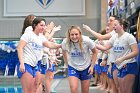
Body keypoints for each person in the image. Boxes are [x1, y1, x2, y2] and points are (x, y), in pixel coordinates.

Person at [16, 17, 61, 93]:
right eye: (41, 25)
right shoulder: (28, 34)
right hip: (26, 64)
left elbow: (50, 44)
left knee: (35, 87)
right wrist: (22, 63)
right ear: (35, 25)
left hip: (36, 65)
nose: (44, 27)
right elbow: (19, 48)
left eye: (44, 25)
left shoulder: (41, 37)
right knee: (28, 90)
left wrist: (61, 45)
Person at [96, 18, 138, 93]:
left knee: (127, 90)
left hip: (129, 65)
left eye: (115, 25)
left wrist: (123, 58)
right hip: (118, 66)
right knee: (120, 89)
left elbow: (135, 52)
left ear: (121, 26)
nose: (113, 27)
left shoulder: (129, 37)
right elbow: (105, 47)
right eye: (113, 25)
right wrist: (94, 45)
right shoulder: (114, 37)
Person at [61, 25, 98, 93]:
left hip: (86, 67)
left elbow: (95, 52)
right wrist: (67, 64)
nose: (74, 37)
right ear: (69, 35)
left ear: (80, 34)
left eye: (76, 34)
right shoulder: (65, 42)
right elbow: (64, 52)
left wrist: (92, 66)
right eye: (72, 35)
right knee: (73, 88)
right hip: (73, 67)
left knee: (85, 91)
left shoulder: (87, 40)